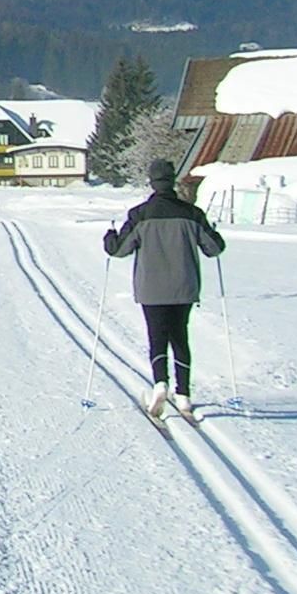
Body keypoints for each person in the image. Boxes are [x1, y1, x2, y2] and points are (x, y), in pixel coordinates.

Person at [103, 156, 225, 419]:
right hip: (184, 287)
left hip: (151, 289)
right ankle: (183, 395)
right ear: (173, 180)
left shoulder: (140, 214)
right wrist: (214, 233)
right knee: (180, 337)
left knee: (157, 337)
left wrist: (110, 238)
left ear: (151, 182)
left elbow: (120, 250)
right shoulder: (191, 213)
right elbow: (214, 249)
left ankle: (160, 384)